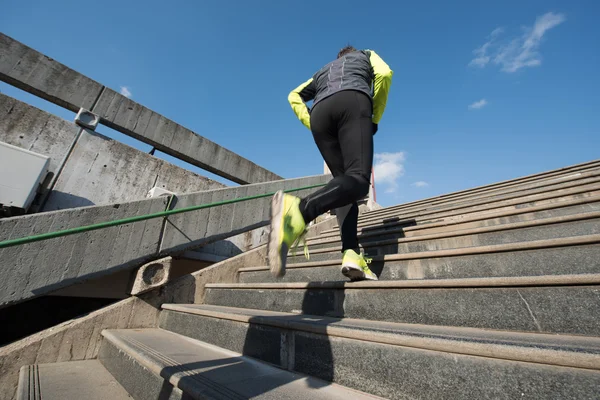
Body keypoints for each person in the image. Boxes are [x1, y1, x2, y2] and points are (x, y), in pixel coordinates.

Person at [267, 45, 393, 281]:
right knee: (358, 181)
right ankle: (300, 211)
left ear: (338, 58)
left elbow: (293, 95)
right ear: (353, 53)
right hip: (353, 102)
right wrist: (373, 116)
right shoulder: (366, 54)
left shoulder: (321, 72)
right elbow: (384, 74)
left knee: (344, 187)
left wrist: (310, 121)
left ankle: (351, 253)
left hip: (320, 114)